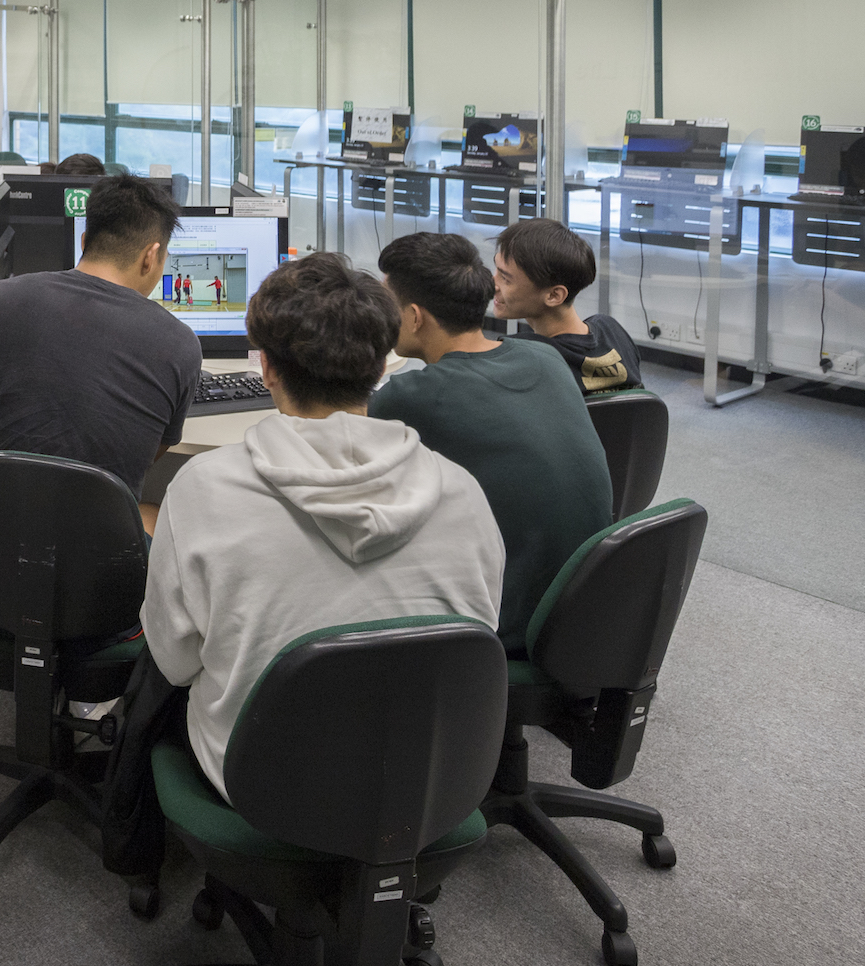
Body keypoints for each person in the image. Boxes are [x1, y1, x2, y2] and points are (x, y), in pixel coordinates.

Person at [142, 252, 504, 801]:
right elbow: (477, 636)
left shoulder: (203, 488)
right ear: (383, 367)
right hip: (425, 779)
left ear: (265, 367)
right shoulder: (463, 492)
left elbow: (174, 661)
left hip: (262, 780)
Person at [367, 232, 613, 655]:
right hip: (587, 608)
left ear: (413, 316)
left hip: (510, 626)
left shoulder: (411, 396)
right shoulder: (544, 357)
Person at [0, 173, 203, 537]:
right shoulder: (180, 344)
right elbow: (144, 451)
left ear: (85, 240)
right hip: (96, 579)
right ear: (151, 256)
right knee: (157, 511)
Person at [491, 218, 644, 394]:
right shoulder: (613, 332)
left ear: (554, 295)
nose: (493, 284)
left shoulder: (519, 356)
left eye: (505, 279)